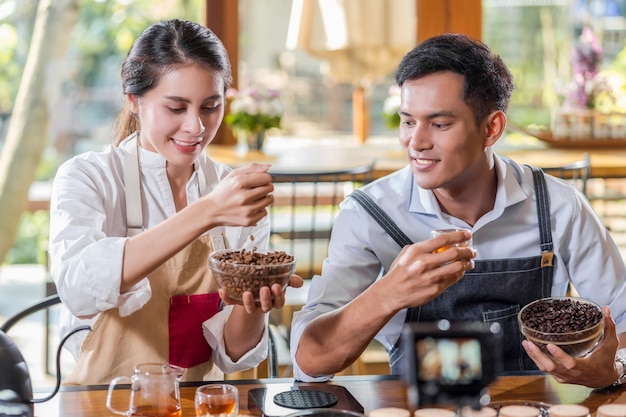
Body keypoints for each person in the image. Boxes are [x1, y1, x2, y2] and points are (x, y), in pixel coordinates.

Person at [290, 33, 626, 388]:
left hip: (531, 406)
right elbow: (310, 363)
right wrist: (388, 293)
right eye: (408, 121)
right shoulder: (369, 214)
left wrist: (614, 368)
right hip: (416, 410)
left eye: (439, 124)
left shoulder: (558, 206)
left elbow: (621, 317)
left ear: (491, 128)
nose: (416, 142)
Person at [48, 19, 302, 385]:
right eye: (176, 108)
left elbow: (233, 354)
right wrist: (208, 211)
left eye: (210, 107)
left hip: (201, 400)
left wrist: (254, 305)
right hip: (107, 401)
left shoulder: (233, 191)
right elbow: (78, 289)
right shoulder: (88, 177)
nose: (196, 127)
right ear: (133, 100)